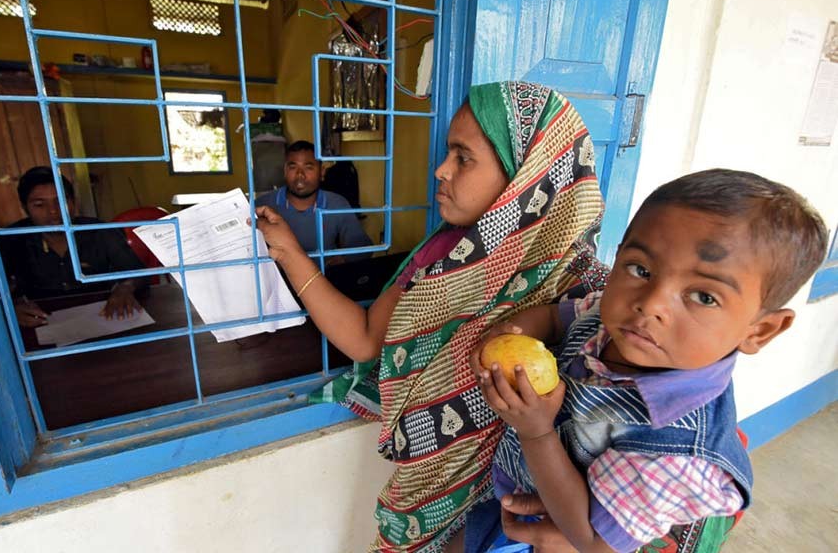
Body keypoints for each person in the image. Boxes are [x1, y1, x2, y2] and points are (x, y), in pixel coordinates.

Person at [254, 81, 606, 550]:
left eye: (463, 158)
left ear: (528, 177)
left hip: (537, 514)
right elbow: (364, 339)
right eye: (448, 153)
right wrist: (289, 252)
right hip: (431, 488)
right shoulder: (441, 252)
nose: (441, 170)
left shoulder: (589, 290)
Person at [467, 169, 828, 552]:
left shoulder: (678, 451)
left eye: (704, 296)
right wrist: (510, 332)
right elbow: (557, 318)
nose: (650, 304)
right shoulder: (610, 321)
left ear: (760, 330)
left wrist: (536, 432)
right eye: (641, 270)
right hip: (514, 498)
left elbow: (592, 540)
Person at [0, 166, 148, 327]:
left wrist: (126, 287)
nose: (53, 211)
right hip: (41, 325)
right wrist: (11, 308)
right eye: (39, 205)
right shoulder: (11, 240)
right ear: (25, 208)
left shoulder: (99, 231)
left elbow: (138, 271)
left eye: (61, 201)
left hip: (105, 318)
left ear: (73, 202)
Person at [254, 140, 372, 263]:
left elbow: (363, 247)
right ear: (284, 171)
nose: (300, 175)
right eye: (293, 167)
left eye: (308, 167)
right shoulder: (263, 205)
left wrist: (344, 258)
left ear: (322, 172)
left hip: (323, 279)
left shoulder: (336, 203)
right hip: (279, 281)